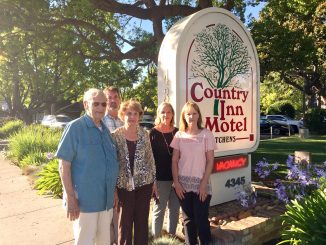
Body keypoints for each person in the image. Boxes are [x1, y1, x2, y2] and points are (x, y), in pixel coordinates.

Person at [55, 88, 119, 245]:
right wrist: (71, 199)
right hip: (84, 203)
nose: (100, 108)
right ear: (85, 105)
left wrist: (114, 191)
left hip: (106, 203)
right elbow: (64, 166)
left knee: (104, 242)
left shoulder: (105, 131)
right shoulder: (75, 128)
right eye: (95, 103)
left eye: (103, 104)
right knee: (84, 242)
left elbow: (110, 164)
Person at [112, 99, 157, 245]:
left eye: (135, 113)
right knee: (124, 224)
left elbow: (150, 159)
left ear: (139, 116)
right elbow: (112, 164)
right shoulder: (115, 136)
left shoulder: (145, 134)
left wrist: (154, 182)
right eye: (128, 113)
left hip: (144, 185)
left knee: (141, 223)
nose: (132, 117)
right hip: (124, 187)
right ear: (122, 114)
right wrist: (114, 189)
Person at [170, 101, 216, 245]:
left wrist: (203, 183)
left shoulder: (206, 134)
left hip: (201, 185)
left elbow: (210, 161)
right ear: (184, 116)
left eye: (194, 113)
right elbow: (174, 161)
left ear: (198, 115)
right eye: (188, 114)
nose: (191, 116)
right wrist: (176, 183)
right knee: (188, 220)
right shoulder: (179, 135)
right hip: (182, 186)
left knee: (201, 219)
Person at [150, 102, 180, 237]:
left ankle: (171, 237)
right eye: (163, 112)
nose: (166, 115)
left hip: (177, 178)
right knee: (159, 210)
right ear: (158, 114)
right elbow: (148, 160)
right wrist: (153, 181)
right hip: (160, 179)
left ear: (172, 114)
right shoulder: (153, 133)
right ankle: (156, 239)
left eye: (168, 112)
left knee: (174, 209)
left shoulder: (177, 132)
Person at [102, 86, 123, 245]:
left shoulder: (124, 120)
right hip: (105, 176)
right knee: (106, 217)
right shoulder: (100, 122)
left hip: (122, 176)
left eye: (116, 97)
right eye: (109, 97)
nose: (113, 100)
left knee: (119, 215)